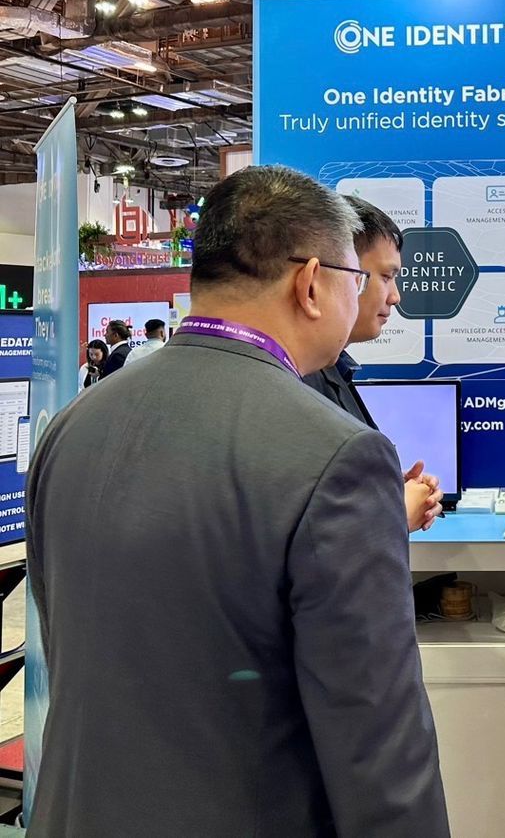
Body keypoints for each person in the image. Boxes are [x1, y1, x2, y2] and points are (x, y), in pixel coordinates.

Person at [25, 165, 450, 837]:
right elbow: (377, 742)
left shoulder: (73, 425)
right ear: (312, 283)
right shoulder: (337, 455)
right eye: (358, 279)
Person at [303, 196, 443, 532]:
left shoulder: (330, 369)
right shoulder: (295, 383)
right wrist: (394, 514)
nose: (395, 296)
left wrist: (386, 489)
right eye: (385, 276)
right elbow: (308, 532)